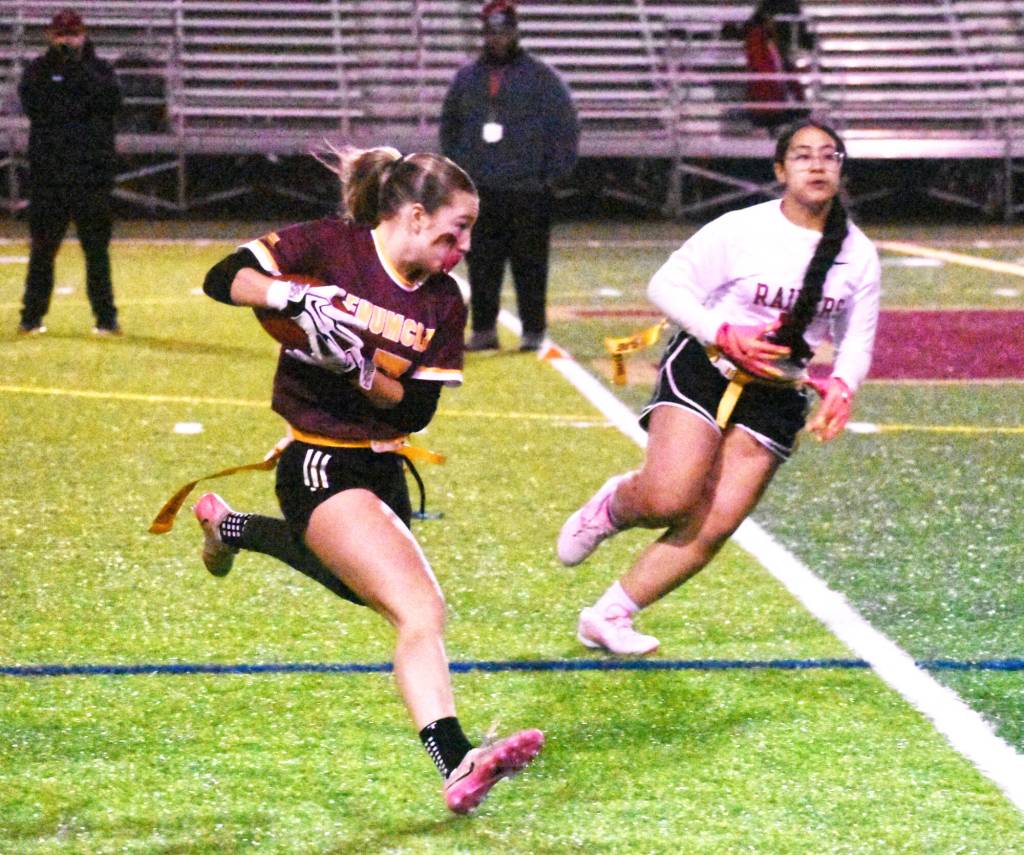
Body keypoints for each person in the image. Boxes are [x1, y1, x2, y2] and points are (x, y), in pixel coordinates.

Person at [192, 145, 543, 813]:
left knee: (368, 592)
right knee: (419, 609)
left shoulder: (444, 301)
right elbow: (222, 276)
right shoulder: (333, 247)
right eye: (455, 229)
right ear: (413, 215)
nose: (464, 245)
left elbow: (416, 409)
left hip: (385, 468)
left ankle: (229, 526)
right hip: (319, 459)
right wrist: (290, 294)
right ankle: (456, 758)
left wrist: (356, 366)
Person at [556, 120, 880, 655]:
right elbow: (665, 284)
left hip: (777, 394)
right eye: (802, 156)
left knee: (713, 524)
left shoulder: (858, 254)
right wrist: (723, 333)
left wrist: (844, 385)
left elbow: (855, 340)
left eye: (829, 155)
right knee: (669, 496)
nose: (818, 164)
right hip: (708, 366)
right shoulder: (742, 228)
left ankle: (610, 614)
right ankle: (612, 506)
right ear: (780, 171)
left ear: (842, 168)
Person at [439, 0, 579, 352]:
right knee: (482, 264)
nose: (498, 39)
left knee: (530, 265)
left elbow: (566, 128)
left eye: (504, 32)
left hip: (528, 191)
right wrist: (457, 176)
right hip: (479, 190)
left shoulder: (542, 77)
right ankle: (484, 329)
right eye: (492, 32)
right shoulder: (467, 78)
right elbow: (450, 128)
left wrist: (553, 177)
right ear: (484, 35)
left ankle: (534, 331)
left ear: (515, 32)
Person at [17, 8, 122, 336]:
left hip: (91, 177)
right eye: (62, 34)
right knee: (43, 252)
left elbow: (112, 102)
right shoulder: (38, 70)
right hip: (50, 177)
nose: (67, 40)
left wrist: (77, 70)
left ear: (84, 34)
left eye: (72, 34)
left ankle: (106, 319)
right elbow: (34, 104)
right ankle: (31, 318)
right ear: (51, 35)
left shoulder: (100, 70)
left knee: (96, 253)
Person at [725, 0, 813, 132]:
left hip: (775, 98)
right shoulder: (759, 41)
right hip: (770, 101)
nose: (772, 22)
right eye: (770, 20)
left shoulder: (773, 44)